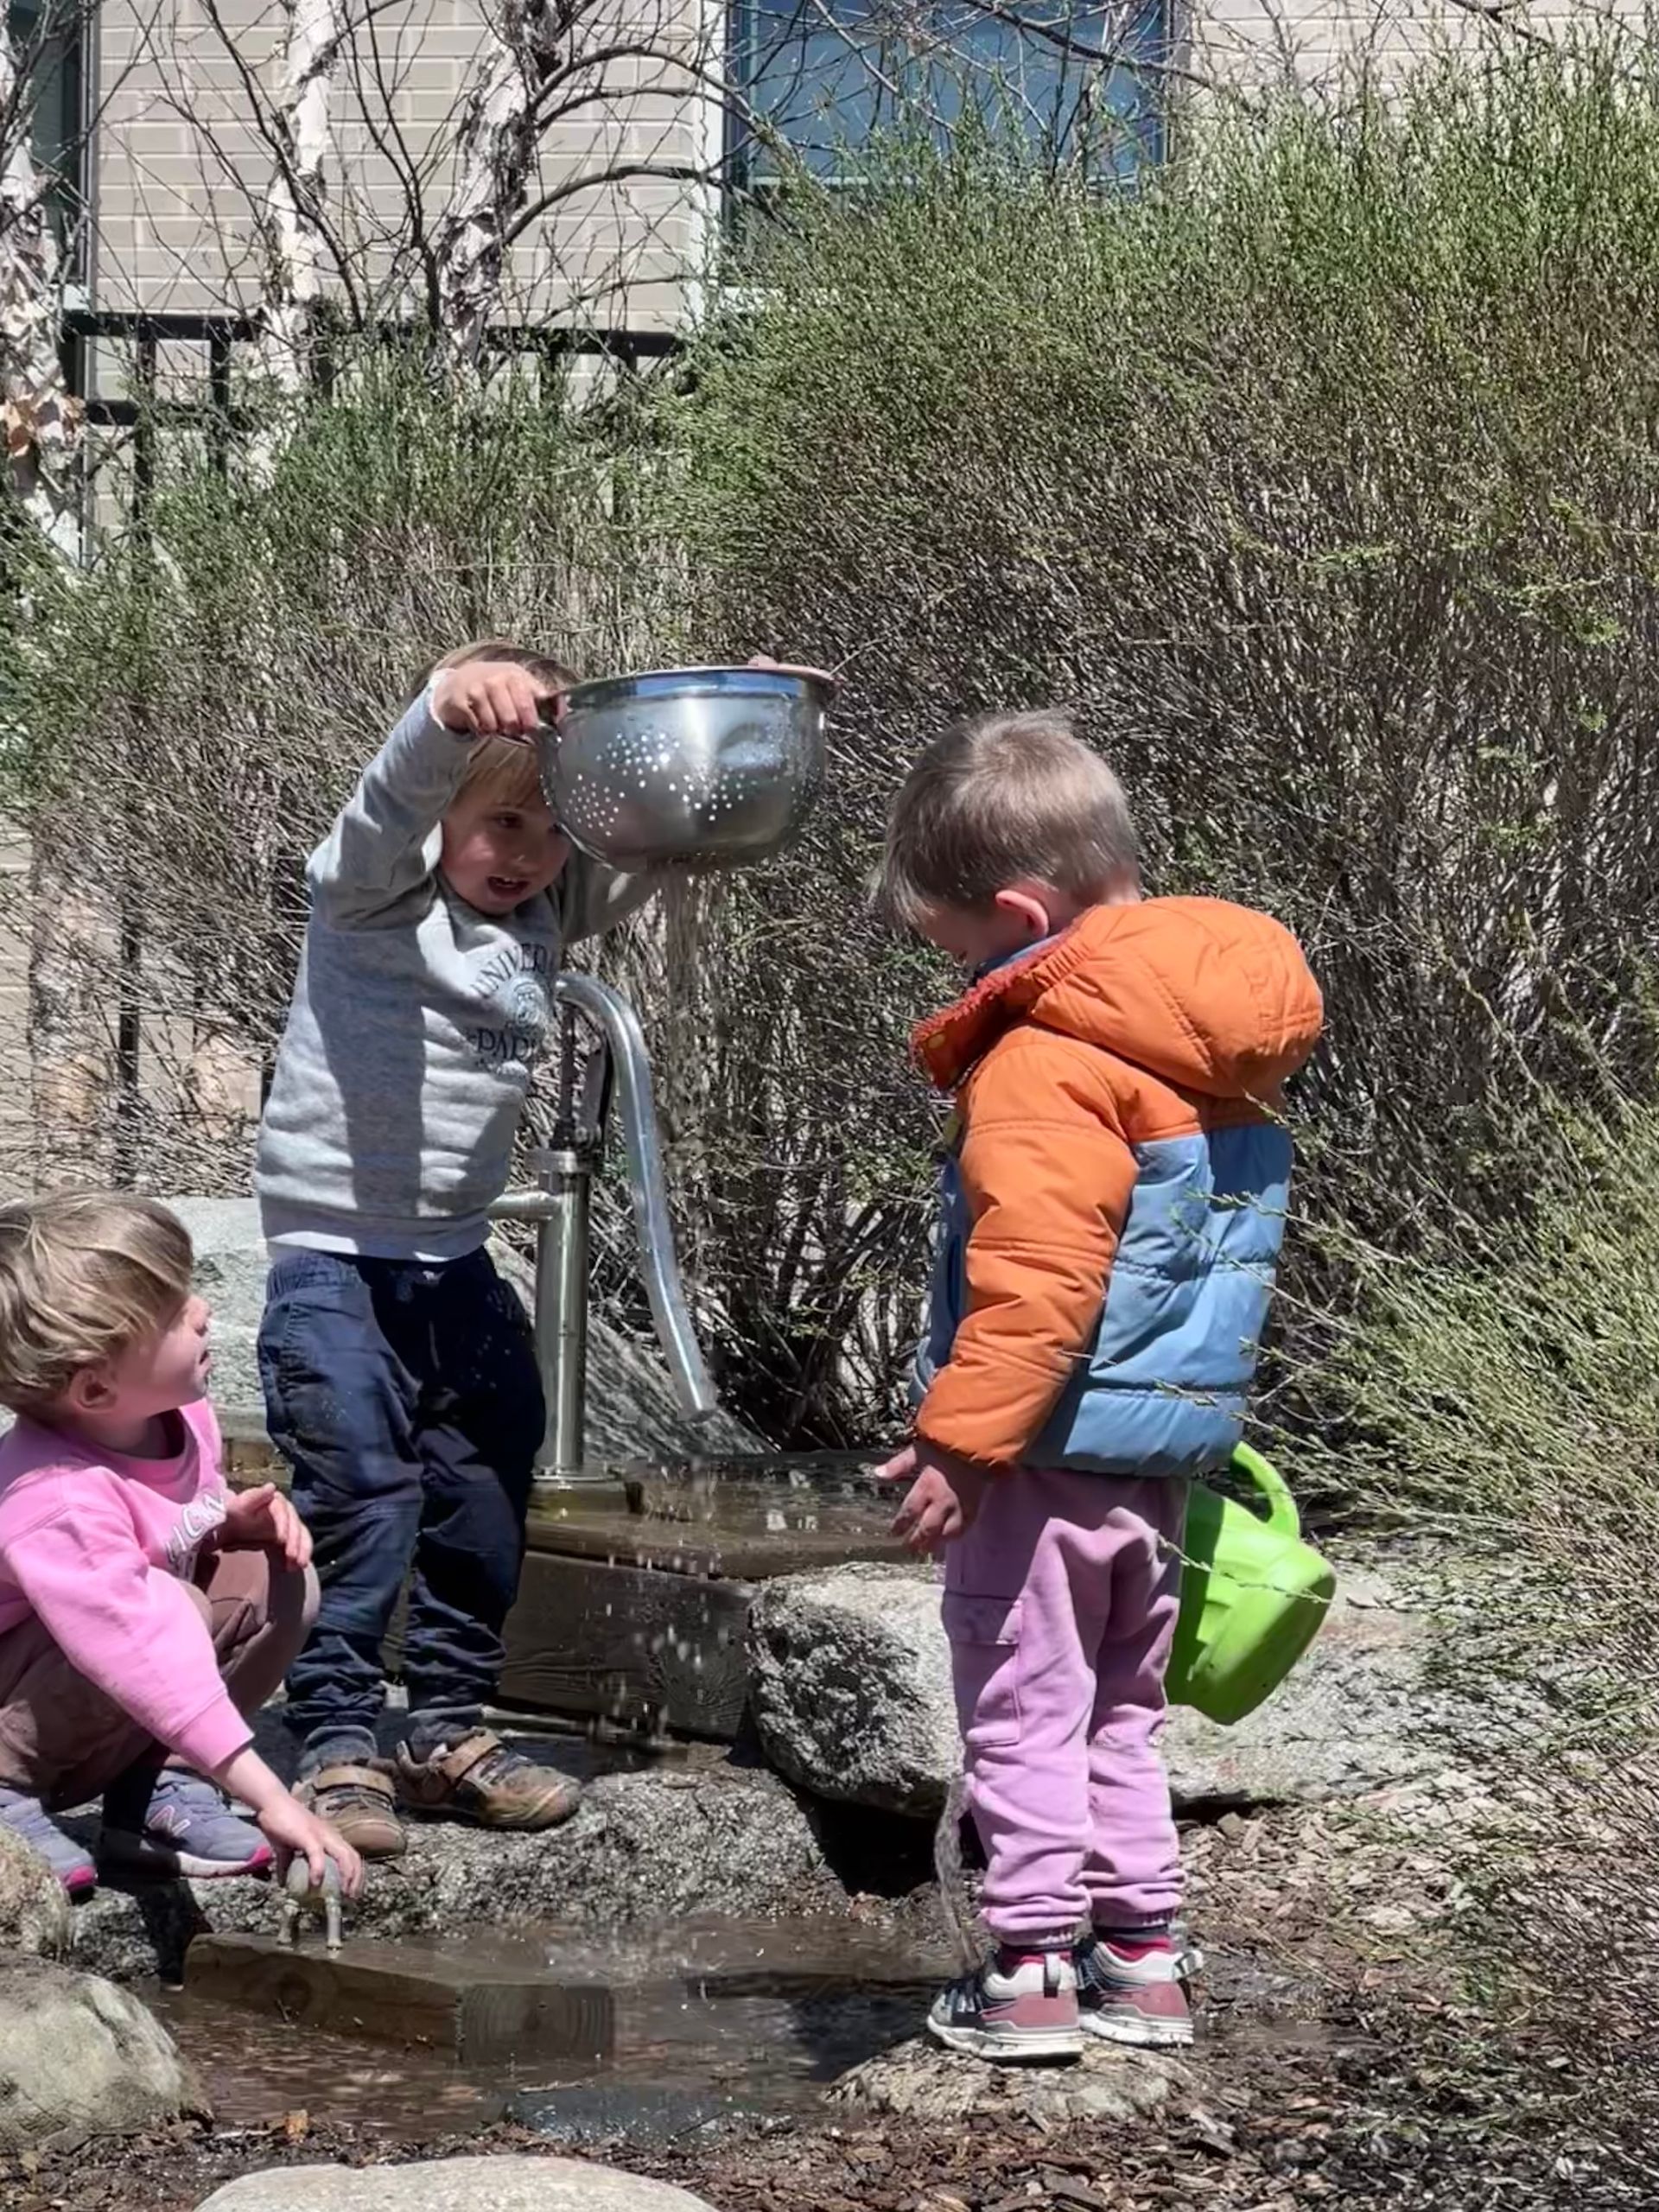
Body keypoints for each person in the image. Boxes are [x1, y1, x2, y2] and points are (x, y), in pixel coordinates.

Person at [875, 710, 1323, 2063]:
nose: (959, 976)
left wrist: (960, 1442)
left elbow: (1040, 1278)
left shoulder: (1049, 1057)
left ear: (1022, 913)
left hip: (1044, 1454)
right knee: (1122, 1708)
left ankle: (1026, 1976)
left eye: (958, 947)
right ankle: (1142, 1959)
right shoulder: (1208, 1042)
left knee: (1023, 1705)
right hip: (1159, 1452)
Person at [254, 640, 667, 1860]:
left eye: (548, 828)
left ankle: (442, 1728)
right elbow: (386, 800)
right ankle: (332, 1738)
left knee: (486, 1486)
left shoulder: (544, 907)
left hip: (453, 1260)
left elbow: (647, 834)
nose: (524, 852)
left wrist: (724, 727)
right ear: (441, 813)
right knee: (360, 1496)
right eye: (498, 821)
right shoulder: (370, 894)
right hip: (335, 1256)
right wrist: (439, 714)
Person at [0, 1192, 363, 1902]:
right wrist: (270, 1796)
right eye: (172, 1313)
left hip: (100, 1680)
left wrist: (229, 1523)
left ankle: (161, 1785)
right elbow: (135, 1634)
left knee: (281, 1575)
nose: (199, 1310)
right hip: (29, 1694)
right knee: (173, 1608)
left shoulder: (180, 1414)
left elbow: (158, 1524)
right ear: (97, 1387)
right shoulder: (55, 1496)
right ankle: (7, 1793)